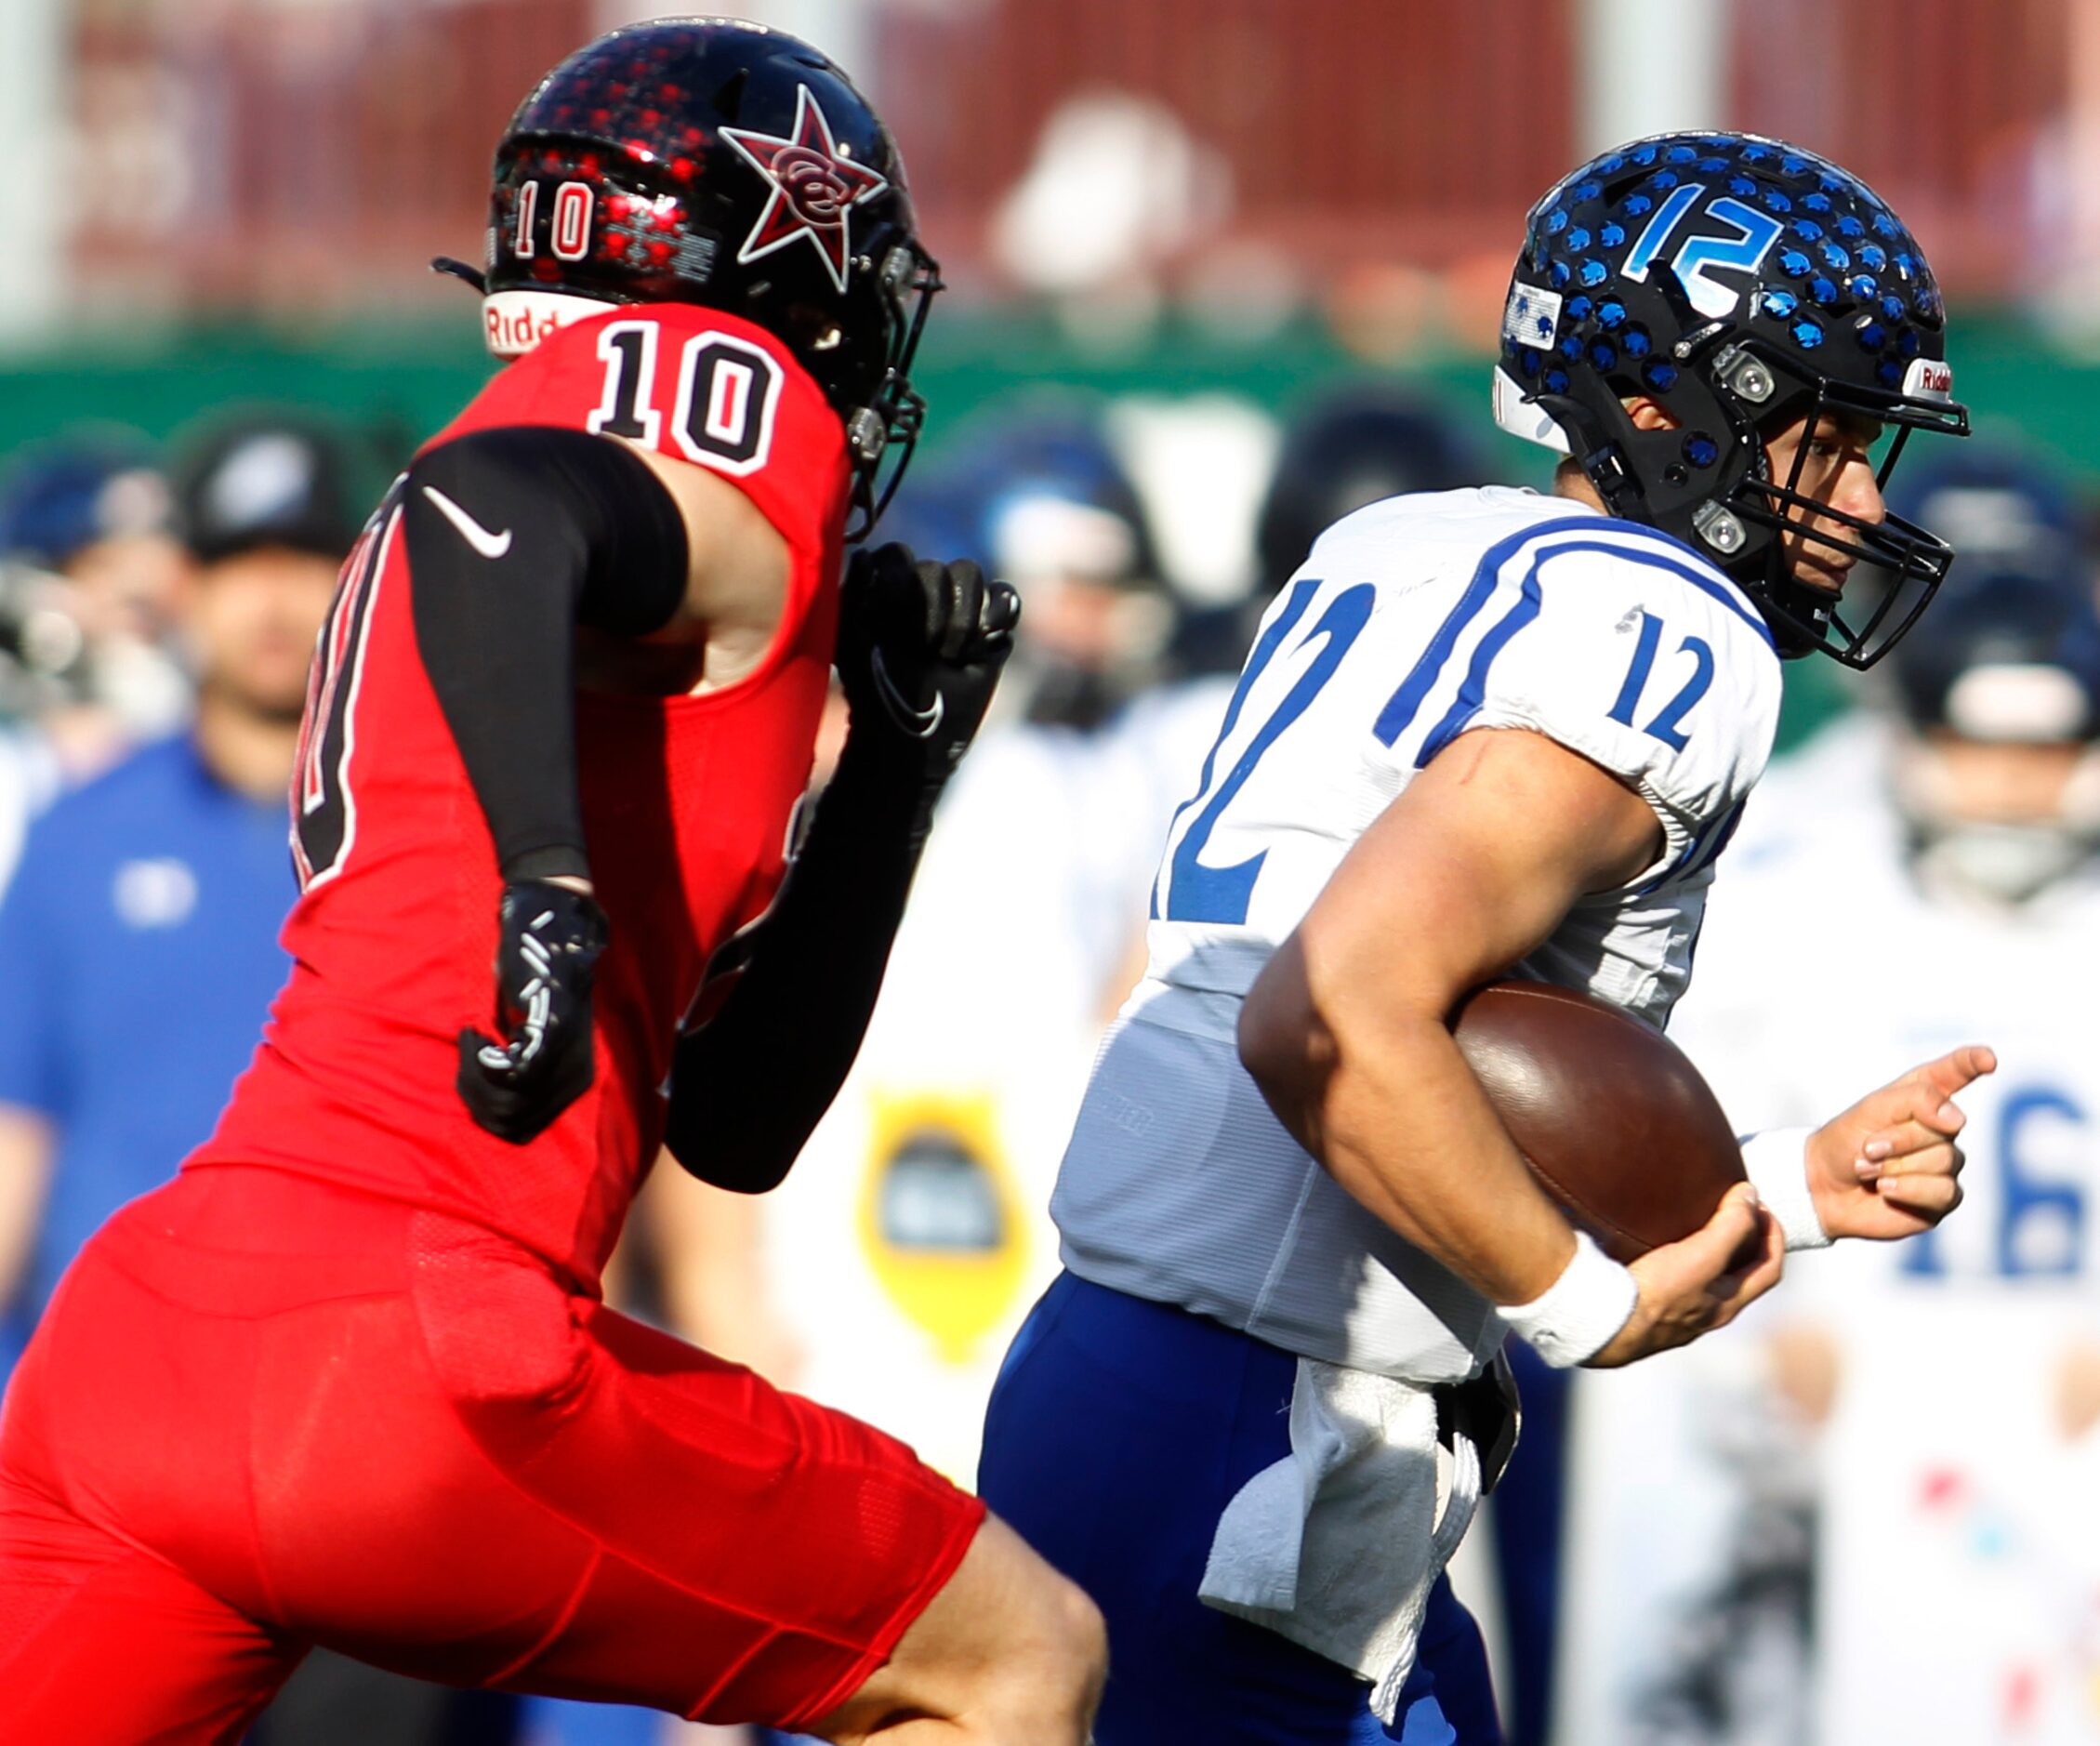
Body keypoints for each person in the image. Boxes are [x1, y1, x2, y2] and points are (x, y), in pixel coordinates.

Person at [0, 20, 1103, 1744]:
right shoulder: (698, 414)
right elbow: (496, 501)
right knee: (1014, 1654)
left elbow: (732, 1127)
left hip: (150, 1338)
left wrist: (890, 771)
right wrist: (546, 880)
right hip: (414, 1343)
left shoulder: (580, 532)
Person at [976, 131, 1994, 1744]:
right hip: (1269, 1440)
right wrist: (1579, 1305)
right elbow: (1335, 1010)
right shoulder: (1672, 634)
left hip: (1134, 1376)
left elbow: (1453, 1037)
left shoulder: (1409, 545)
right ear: (1670, 410)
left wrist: (1773, 1189)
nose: (1865, 495)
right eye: (1835, 437)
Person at [1560, 559, 2100, 1746]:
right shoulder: (1805, 912)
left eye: (2046, 753)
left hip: (2066, 1414)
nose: (2011, 788)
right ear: (1912, 742)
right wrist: (1762, 1355)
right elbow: (1699, 1157)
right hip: (1837, 1409)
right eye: (1979, 746)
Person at [0, 416, 352, 1379]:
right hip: (90, 1421)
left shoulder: (433, 837)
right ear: (187, 587)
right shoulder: (81, 836)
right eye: (240, 564)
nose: (274, 602)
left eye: (307, 560)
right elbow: (12, 1152)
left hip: (342, 1418)